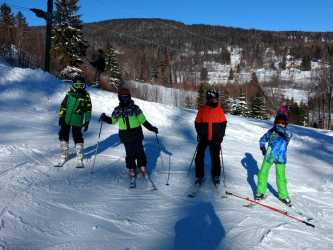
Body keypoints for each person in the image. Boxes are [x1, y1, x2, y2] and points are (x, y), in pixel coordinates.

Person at [99, 88, 158, 188]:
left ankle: (142, 167)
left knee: (139, 151)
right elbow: (113, 121)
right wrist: (104, 117)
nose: (124, 99)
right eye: (122, 97)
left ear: (129, 97)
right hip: (125, 135)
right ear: (119, 98)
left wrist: (151, 128)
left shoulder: (135, 108)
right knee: (130, 153)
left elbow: (143, 121)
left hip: (136, 133)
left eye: (126, 97)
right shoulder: (117, 109)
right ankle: (132, 170)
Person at [256, 113, 293, 205]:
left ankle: (283, 196)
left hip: (281, 157)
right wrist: (262, 147)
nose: (280, 124)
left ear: (285, 124)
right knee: (262, 173)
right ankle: (260, 192)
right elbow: (262, 139)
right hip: (270, 155)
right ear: (275, 122)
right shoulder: (272, 131)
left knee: (280, 177)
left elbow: (289, 134)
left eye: (282, 122)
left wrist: (277, 127)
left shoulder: (287, 133)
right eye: (278, 122)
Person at [57, 75, 92, 168]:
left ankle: (79, 157)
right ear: (73, 85)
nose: (79, 87)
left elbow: (88, 109)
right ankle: (64, 154)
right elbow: (63, 106)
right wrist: (61, 116)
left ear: (84, 86)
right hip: (66, 118)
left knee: (77, 136)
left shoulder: (86, 96)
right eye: (77, 85)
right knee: (63, 134)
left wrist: (87, 120)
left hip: (77, 119)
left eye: (81, 85)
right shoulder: (69, 94)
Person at [194, 89, 227, 186]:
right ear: (208, 99)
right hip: (203, 137)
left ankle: (216, 175)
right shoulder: (202, 109)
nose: (214, 101)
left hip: (215, 138)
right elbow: (197, 123)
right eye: (211, 99)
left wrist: (220, 136)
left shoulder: (219, 110)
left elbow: (223, 124)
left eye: (215, 99)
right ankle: (199, 176)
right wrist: (200, 133)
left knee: (215, 157)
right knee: (199, 157)